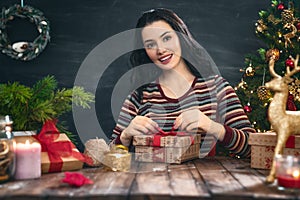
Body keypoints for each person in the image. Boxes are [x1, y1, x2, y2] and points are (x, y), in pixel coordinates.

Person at [109, 8, 256, 158]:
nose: (161, 50)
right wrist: (125, 137)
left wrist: (212, 127)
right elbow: (107, 156)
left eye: (166, 38)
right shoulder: (139, 96)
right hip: (151, 180)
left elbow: (252, 148)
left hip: (205, 180)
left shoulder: (217, 88)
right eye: (150, 44)